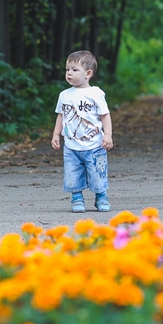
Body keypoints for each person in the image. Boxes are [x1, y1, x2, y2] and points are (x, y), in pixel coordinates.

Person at [51, 50, 113, 213]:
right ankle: (76, 198)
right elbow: (60, 116)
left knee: (97, 173)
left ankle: (101, 197)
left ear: (88, 73)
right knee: (72, 174)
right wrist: (56, 134)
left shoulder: (96, 94)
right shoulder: (64, 95)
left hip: (94, 145)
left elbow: (105, 115)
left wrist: (107, 135)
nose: (69, 73)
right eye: (67, 69)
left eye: (74, 70)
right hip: (71, 146)